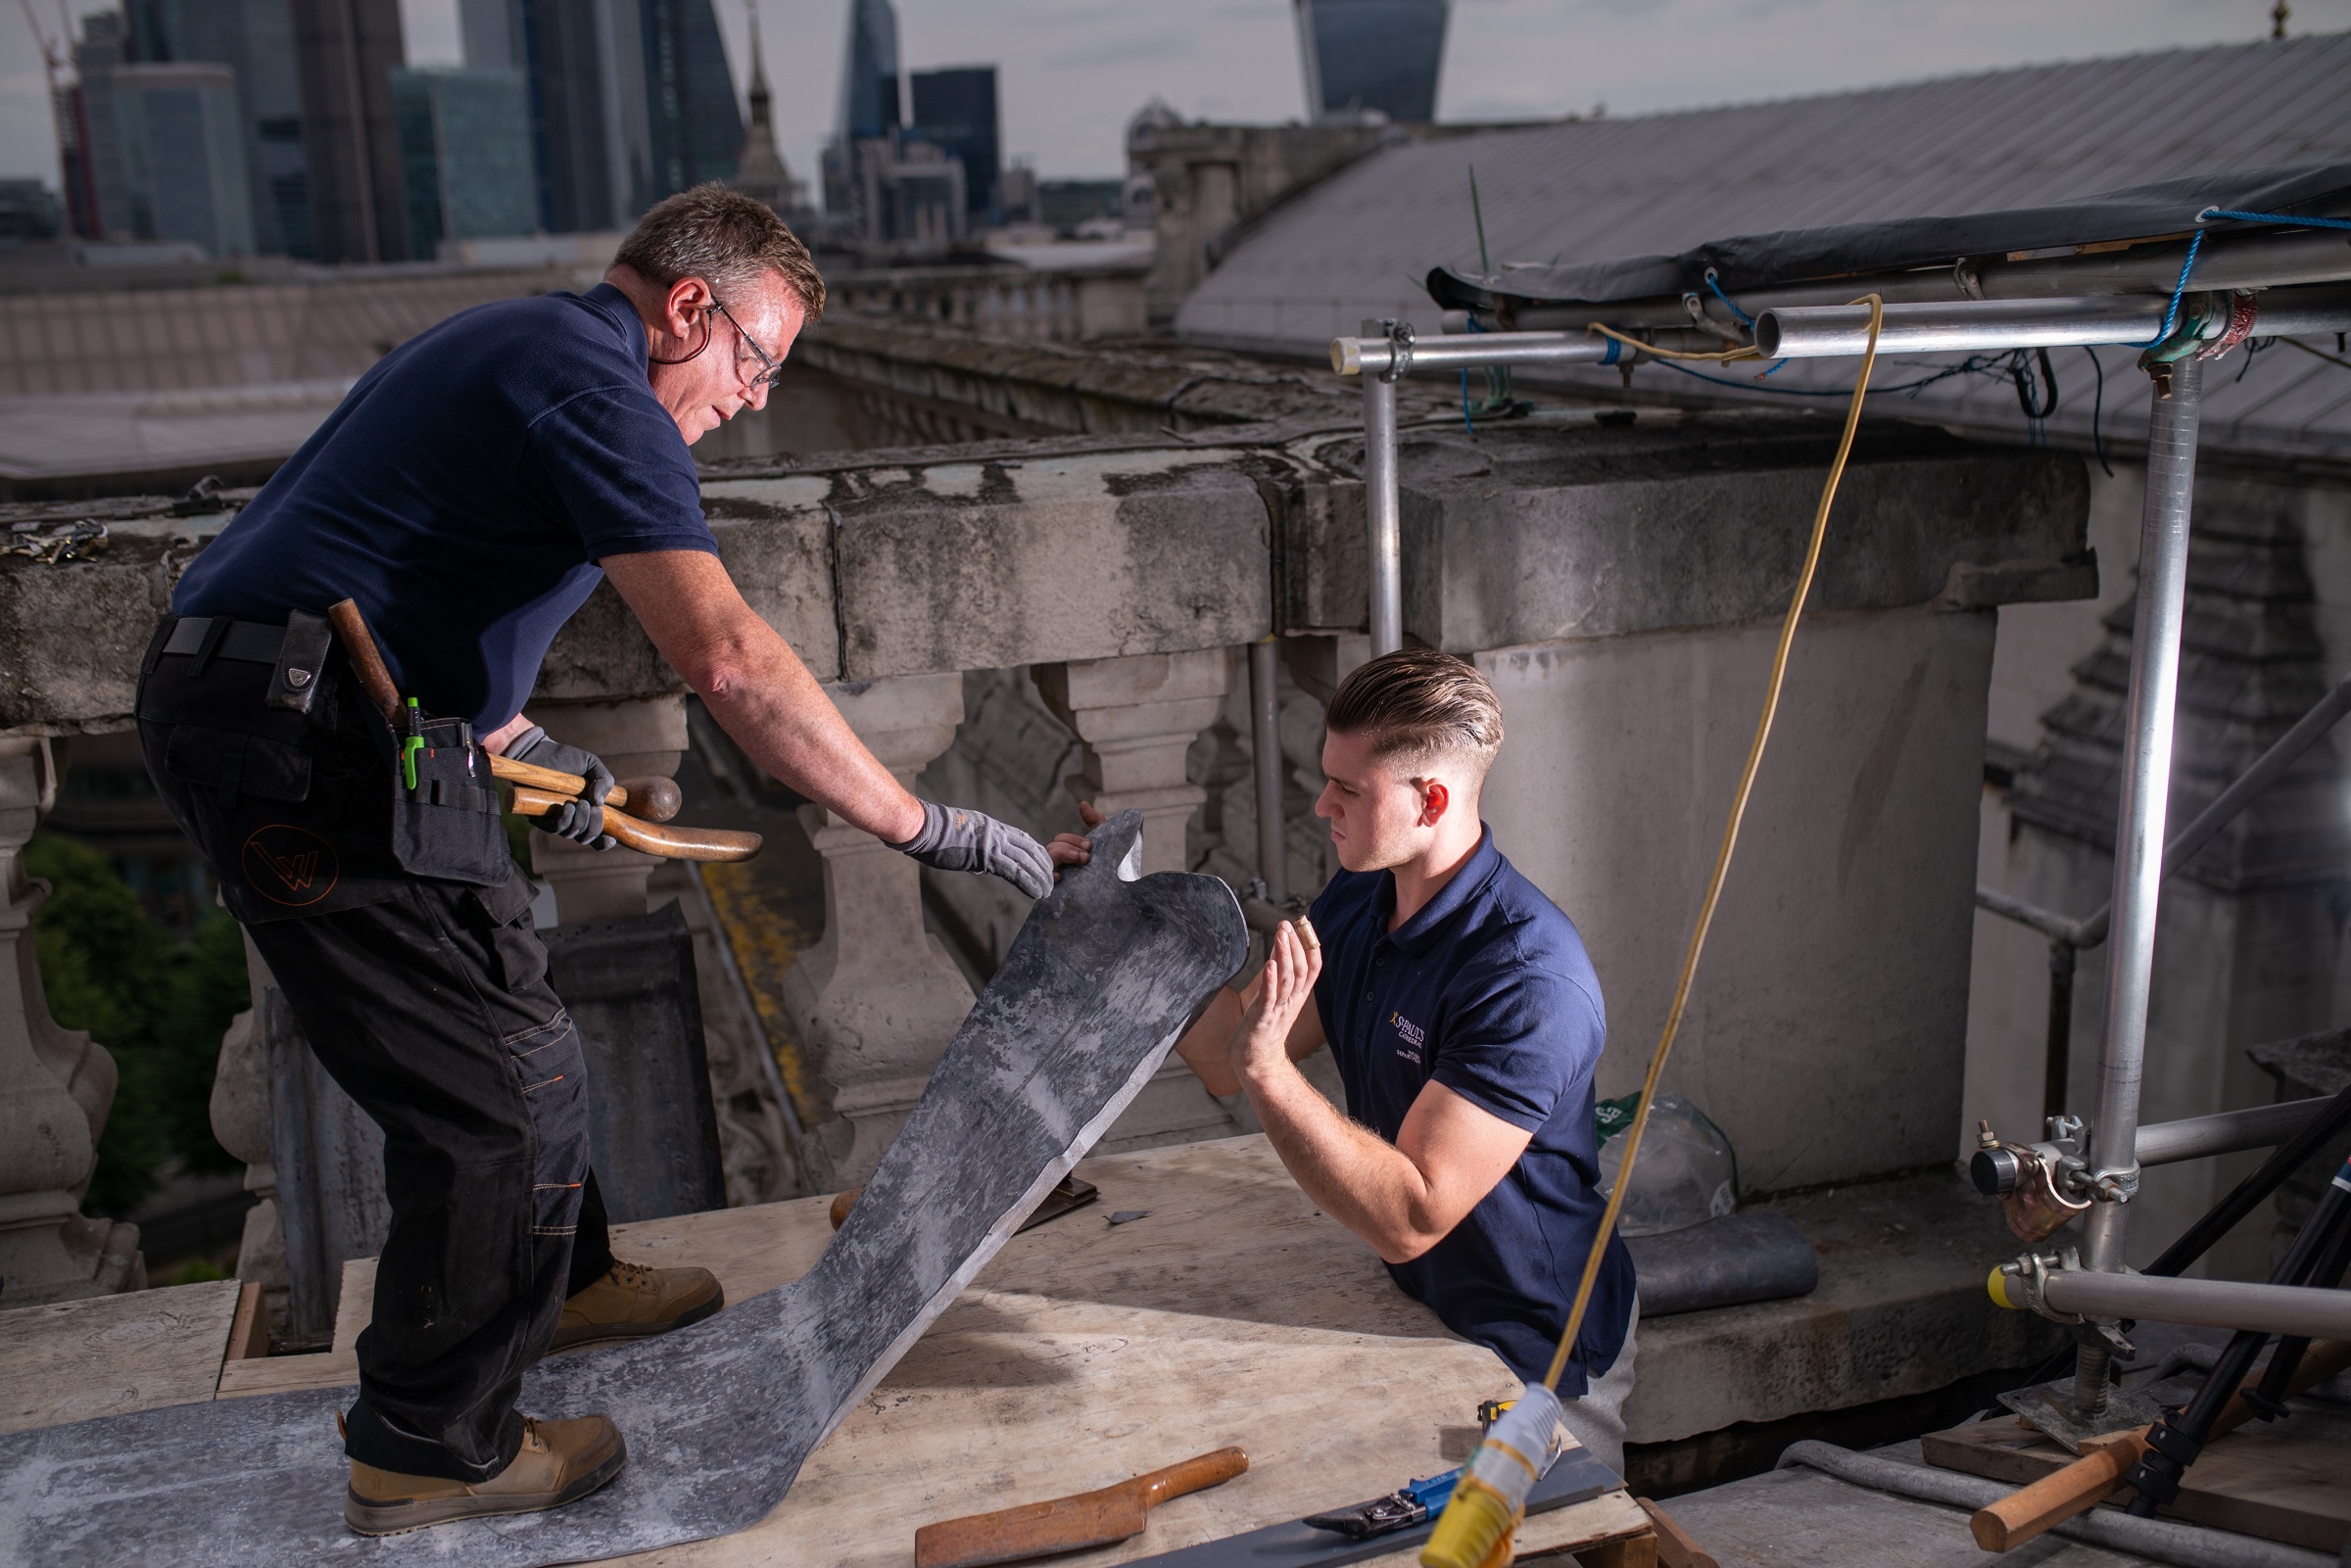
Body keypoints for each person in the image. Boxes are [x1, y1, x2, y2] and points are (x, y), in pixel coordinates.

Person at [138, 185, 1077, 1535]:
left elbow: (399, 583)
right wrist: (931, 827)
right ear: (689, 307)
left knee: (518, 1015)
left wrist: (530, 748)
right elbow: (730, 661)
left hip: (346, 715)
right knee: (486, 1093)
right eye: (756, 359)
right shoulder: (599, 391)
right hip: (295, 738)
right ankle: (426, 1442)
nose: (754, 398)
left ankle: (559, 1284)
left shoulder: (534, 347)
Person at [1168, 649, 1639, 1470]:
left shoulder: (1528, 980)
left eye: (1347, 789)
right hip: (1423, 1309)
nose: (1321, 805)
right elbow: (1224, 1050)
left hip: (1536, 1351)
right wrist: (1128, 927)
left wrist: (1269, 1070)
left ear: (1432, 800)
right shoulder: (1361, 897)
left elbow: (1410, 1215)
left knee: (1527, 1538)